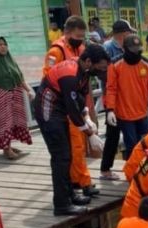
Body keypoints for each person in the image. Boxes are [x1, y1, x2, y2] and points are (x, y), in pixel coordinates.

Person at [34, 44, 109, 216]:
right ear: (89, 61)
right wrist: (89, 133)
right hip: (49, 112)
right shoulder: (70, 73)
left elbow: (80, 101)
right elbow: (72, 108)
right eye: (101, 68)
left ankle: (69, 195)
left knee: (67, 156)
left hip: (59, 111)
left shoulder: (84, 73)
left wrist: (87, 118)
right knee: (61, 157)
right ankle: (61, 204)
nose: (102, 72)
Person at [105, 34, 148, 161]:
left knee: (143, 144)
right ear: (125, 48)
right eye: (133, 50)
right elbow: (111, 89)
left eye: (138, 50)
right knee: (131, 145)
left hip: (143, 112)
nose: (136, 53)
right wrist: (110, 109)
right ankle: (132, 172)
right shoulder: (115, 65)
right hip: (124, 114)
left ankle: (141, 172)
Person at [0, 37, 33, 160]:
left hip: (15, 96)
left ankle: (8, 146)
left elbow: (20, 79)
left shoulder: (11, 60)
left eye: (4, 44)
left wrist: (29, 91)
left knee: (14, 121)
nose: (3, 47)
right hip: (0, 97)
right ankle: (6, 149)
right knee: (4, 123)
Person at [99, 19, 136, 181]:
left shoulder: (125, 47)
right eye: (129, 32)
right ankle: (105, 169)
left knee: (132, 137)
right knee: (112, 136)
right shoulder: (107, 48)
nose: (131, 35)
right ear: (122, 33)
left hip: (129, 100)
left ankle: (132, 168)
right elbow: (104, 75)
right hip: (113, 100)